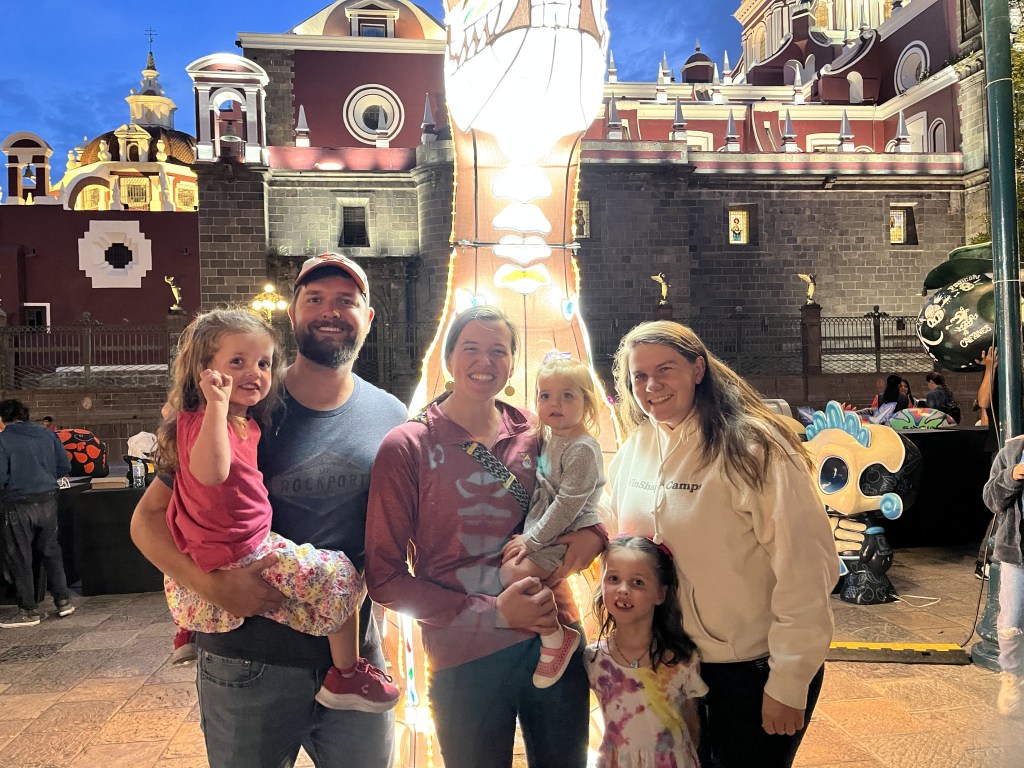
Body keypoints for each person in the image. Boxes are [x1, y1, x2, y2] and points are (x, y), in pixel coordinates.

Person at [131, 252, 406, 768]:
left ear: (368, 317)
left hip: (352, 655)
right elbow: (147, 521)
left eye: (346, 300)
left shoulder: (391, 414)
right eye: (314, 299)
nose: (330, 310)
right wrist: (212, 587)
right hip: (247, 660)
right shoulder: (240, 405)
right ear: (292, 313)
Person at [365, 305, 606, 768]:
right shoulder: (408, 446)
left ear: (513, 363)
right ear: (448, 358)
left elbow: (580, 492)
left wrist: (595, 534)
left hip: (552, 638)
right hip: (466, 655)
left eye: (498, 351)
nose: (485, 361)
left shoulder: (536, 433)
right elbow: (385, 579)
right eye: (471, 348)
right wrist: (492, 613)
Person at [604, 320, 837, 768]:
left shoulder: (757, 447)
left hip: (750, 671)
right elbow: (612, 526)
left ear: (698, 369)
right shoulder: (636, 447)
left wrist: (789, 680)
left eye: (665, 369)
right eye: (639, 375)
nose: (651, 386)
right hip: (668, 667)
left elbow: (807, 567)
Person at [154, 307, 398, 713]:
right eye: (237, 361)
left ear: (369, 315)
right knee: (341, 578)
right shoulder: (211, 421)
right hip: (243, 568)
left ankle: (192, 626)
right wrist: (216, 406)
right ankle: (347, 674)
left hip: (234, 545)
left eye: (263, 363)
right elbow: (201, 480)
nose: (253, 372)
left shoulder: (386, 411)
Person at [499, 353, 605, 688]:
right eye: (545, 395)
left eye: (567, 395)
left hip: (567, 528)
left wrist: (531, 540)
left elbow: (567, 505)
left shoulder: (582, 448)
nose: (554, 403)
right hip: (546, 523)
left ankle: (555, 635)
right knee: (512, 573)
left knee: (512, 573)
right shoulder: (549, 437)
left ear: (587, 403)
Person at [586, 535, 707, 768]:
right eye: (613, 578)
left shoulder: (680, 659)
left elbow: (692, 726)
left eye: (638, 582)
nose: (623, 590)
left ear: (661, 593)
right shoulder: (593, 659)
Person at [0, 399, 76, 627]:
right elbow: (64, 467)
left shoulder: (3, 439)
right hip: (48, 499)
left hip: (18, 503)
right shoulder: (47, 434)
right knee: (51, 550)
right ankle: (63, 601)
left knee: (19, 555)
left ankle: (28, 610)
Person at [981, 433, 1024, 718]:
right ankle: (1012, 676)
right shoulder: (1012, 450)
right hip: (1015, 554)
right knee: (1011, 621)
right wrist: (1012, 475)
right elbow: (990, 499)